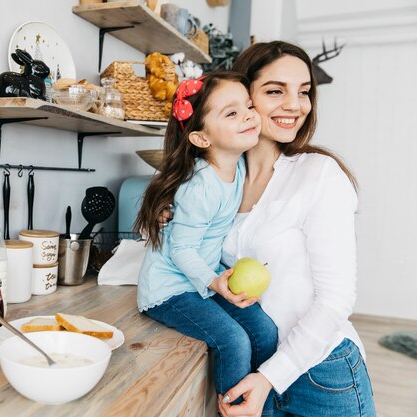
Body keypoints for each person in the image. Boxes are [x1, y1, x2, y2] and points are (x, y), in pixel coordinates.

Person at [161, 41, 375, 417]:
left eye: (304, 91)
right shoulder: (219, 182)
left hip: (321, 375)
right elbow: (189, 248)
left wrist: (270, 377)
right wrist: (169, 215)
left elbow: (336, 300)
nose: (295, 104)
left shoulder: (318, 175)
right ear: (245, 96)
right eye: (276, 91)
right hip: (256, 366)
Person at [135, 71, 279, 414]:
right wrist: (215, 280)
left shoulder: (239, 164)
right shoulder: (201, 186)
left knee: (265, 330)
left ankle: (263, 409)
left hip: (203, 278)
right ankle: (231, 411)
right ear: (201, 138)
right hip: (168, 289)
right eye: (231, 113)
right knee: (233, 340)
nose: (248, 115)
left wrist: (215, 278)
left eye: (247, 106)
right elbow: (180, 249)